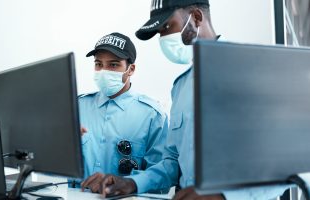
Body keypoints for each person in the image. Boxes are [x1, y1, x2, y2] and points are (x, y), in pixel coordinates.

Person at [81, 1, 291, 199]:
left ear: (196, 17)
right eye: (159, 32)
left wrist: (225, 196)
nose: (162, 38)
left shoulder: (253, 70)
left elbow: (297, 165)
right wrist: (132, 183)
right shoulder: (181, 87)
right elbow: (172, 162)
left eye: (167, 27)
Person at [76, 32, 168, 189]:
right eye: (98, 64)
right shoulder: (77, 107)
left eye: (113, 64)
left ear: (130, 69)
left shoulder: (152, 115)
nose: (103, 71)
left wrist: (129, 183)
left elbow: (162, 174)